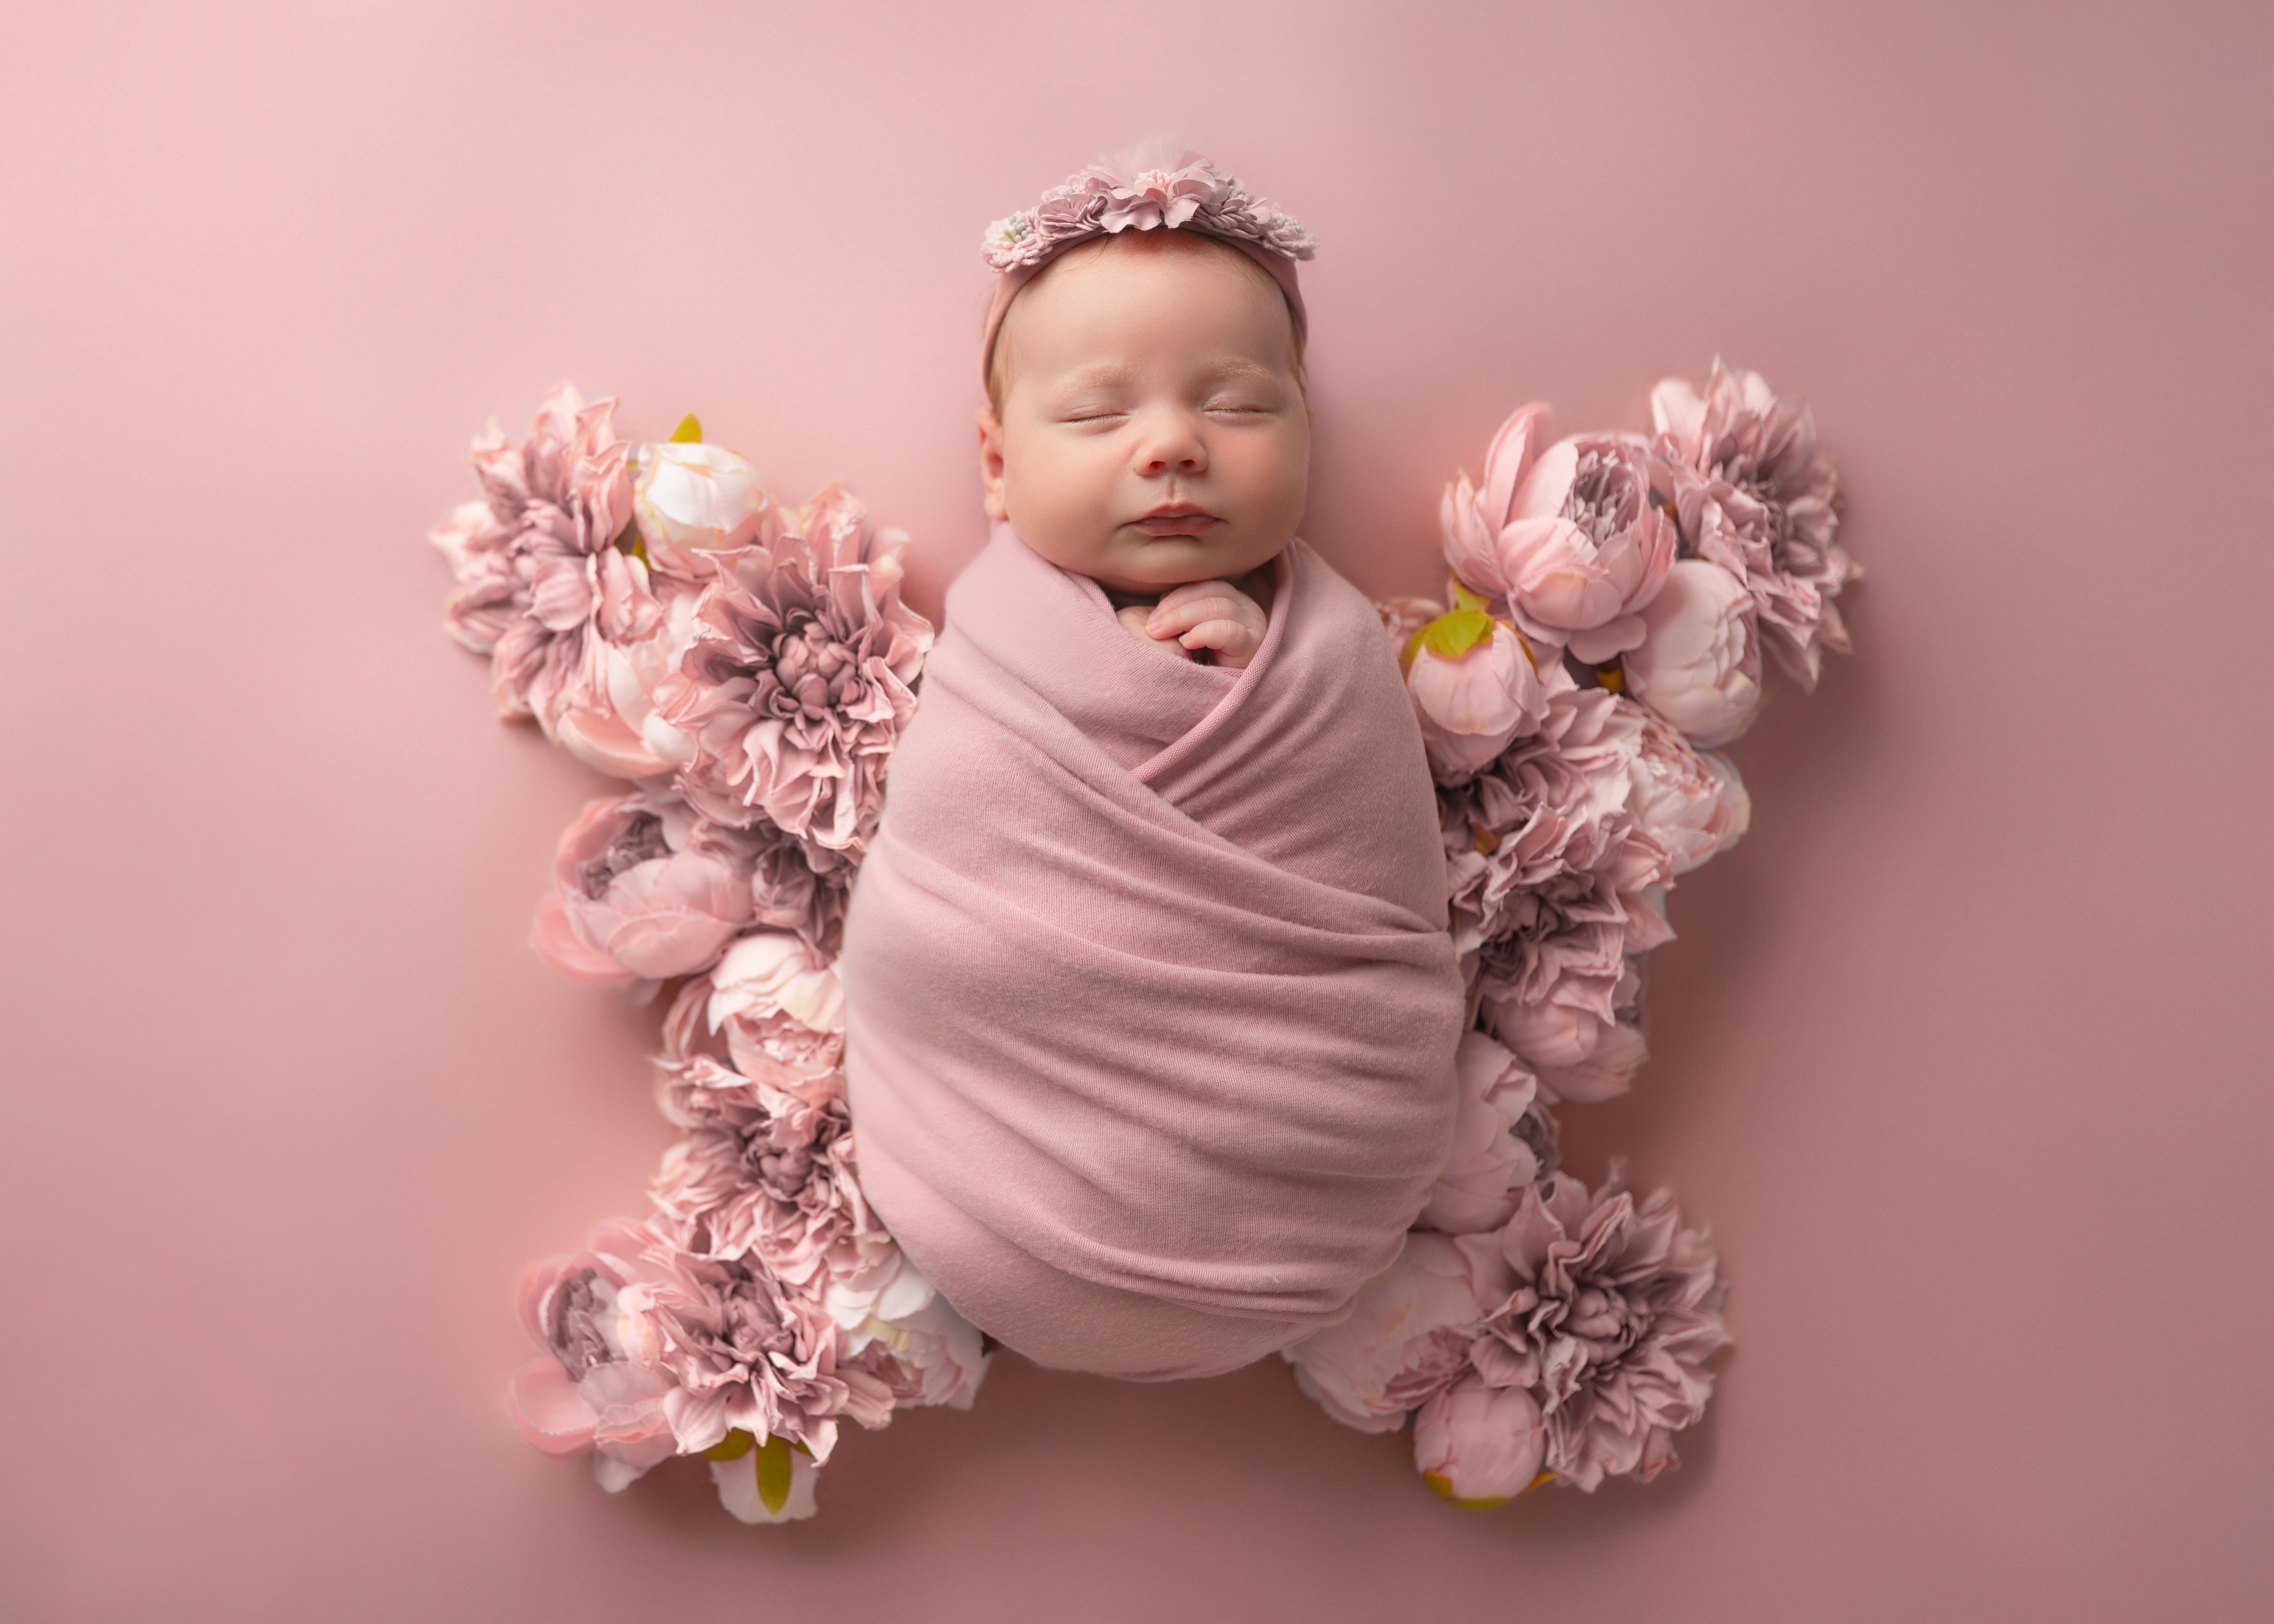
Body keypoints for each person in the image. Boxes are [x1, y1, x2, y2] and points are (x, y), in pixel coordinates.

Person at [839, 147, 1466, 1380]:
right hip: (994, 1182)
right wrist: (1122, 684)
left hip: (1299, 1165)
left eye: (1235, 405)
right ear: (998, 465)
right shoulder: (991, 654)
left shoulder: (1329, 659)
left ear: (1304, 433)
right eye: (1096, 412)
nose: (1174, 444)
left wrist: (1250, 675)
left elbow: (1370, 862)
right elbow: (950, 898)